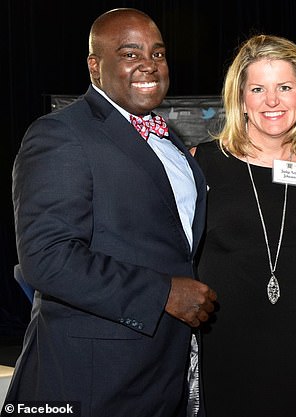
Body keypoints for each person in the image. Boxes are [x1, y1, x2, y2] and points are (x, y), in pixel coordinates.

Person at [5, 8, 216, 417]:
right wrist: (163, 294)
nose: (148, 65)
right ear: (95, 66)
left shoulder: (168, 138)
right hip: (91, 379)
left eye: (157, 53)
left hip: (162, 373)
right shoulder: (61, 134)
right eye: (130, 53)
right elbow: (47, 258)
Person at [191, 34, 296, 416]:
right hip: (225, 346)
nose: (272, 101)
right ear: (241, 99)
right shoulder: (203, 162)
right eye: (258, 88)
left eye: (284, 87)